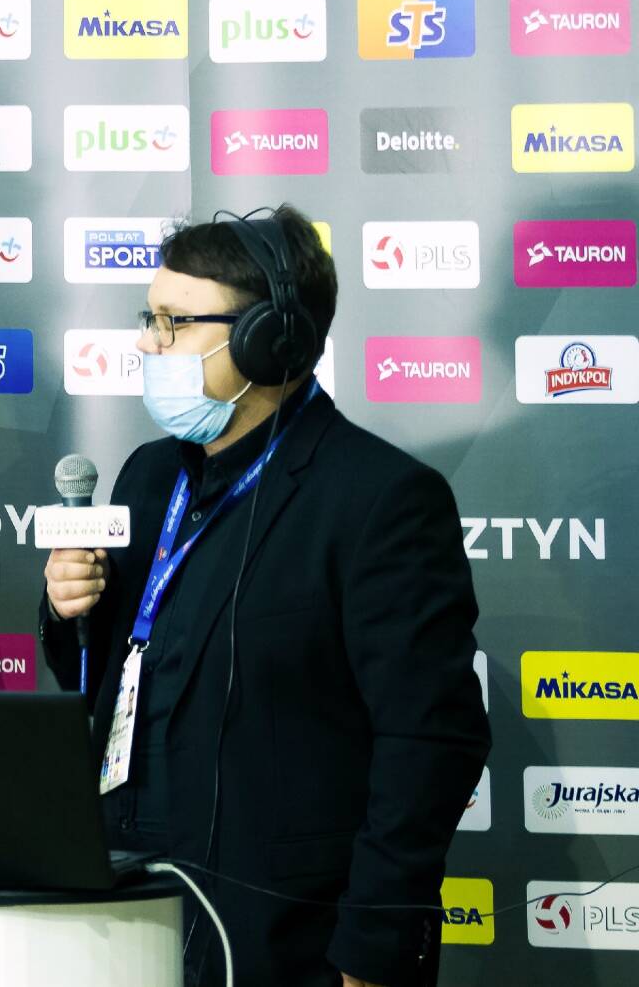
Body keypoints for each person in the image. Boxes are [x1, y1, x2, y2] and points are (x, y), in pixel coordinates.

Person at [41, 206, 489, 987]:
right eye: (148, 318)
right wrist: (66, 607)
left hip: (293, 938)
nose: (147, 343)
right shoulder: (148, 476)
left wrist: (372, 952)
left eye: (174, 322)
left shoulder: (382, 499)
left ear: (267, 339)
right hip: (125, 908)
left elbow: (428, 744)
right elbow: (110, 669)